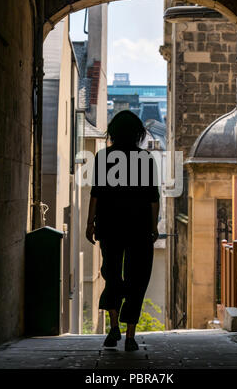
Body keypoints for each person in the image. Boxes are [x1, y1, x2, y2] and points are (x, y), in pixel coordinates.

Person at [86, 110, 160, 352]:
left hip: (110, 226)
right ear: (138, 134)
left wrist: (90, 223)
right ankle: (130, 337)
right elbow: (153, 199)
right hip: (138, 228)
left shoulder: (103, 157)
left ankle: (113, 327)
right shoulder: (146, 159)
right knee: (137, 279)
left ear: (113, 133)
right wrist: (153, 226)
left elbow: (95, 193)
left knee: (112, 275)